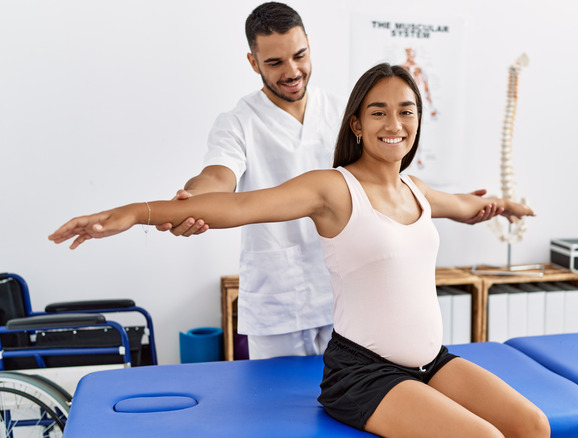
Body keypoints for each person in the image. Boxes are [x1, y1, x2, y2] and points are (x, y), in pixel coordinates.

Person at [50, 63, 548, 438]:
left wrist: (501, 206)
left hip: (430, 363)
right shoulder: (333, 188)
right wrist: (135, 212)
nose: (394, 122)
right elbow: (242, 205)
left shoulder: (415, 190)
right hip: (364, 376)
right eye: (378, 111)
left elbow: (464, 205)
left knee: (533, 426)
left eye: (406, 110)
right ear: (357, 124)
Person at [156, 2, 502, 360]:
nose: (292, 71)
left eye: (299, 56)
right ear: (253, 62)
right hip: (277, 301)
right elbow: (217, 176)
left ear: (309, 44)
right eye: (275, 62)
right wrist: (192, 200)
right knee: (280, 396)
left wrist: (466, 205)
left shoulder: (344, 112)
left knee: (354, 394)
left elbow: (390, 190)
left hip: (349, 297)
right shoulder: (237, 122)